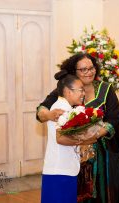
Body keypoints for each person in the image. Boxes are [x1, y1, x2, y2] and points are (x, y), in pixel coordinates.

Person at [37, 53, 119, 203]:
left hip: (103, 155)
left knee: (103, 194)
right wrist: (48, 114)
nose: (89, 72)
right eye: (83, 69)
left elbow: (114, 119)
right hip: (75, 158)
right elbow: (41, 109)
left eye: (91, 68)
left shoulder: (106, 89)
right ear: (74, 72)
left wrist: (95, 135)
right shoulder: (65, 90)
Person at [41, 73, 85, 203]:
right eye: (80, 90)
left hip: (65, 169)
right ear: (67, 91)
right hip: (59, 171)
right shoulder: (61, 108)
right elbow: (61, 139)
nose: (83, 93)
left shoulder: (67, 107)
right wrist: (87, 140)